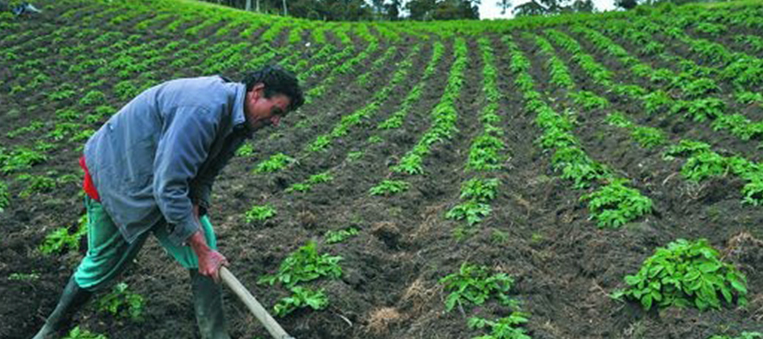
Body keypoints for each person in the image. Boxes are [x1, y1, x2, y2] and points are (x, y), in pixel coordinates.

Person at [33, 65, 305, 339]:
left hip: (160, 179)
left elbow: (205, 173)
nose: (276, 122)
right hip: (120, 178)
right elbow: (170, 185)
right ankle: (51, 329)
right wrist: (199, 247)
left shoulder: (239, 120)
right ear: (257, 93)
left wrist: (196, 214)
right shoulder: (204, 110)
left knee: (206, 249)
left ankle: (215, 335)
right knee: (103, 264)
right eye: (277, 111)